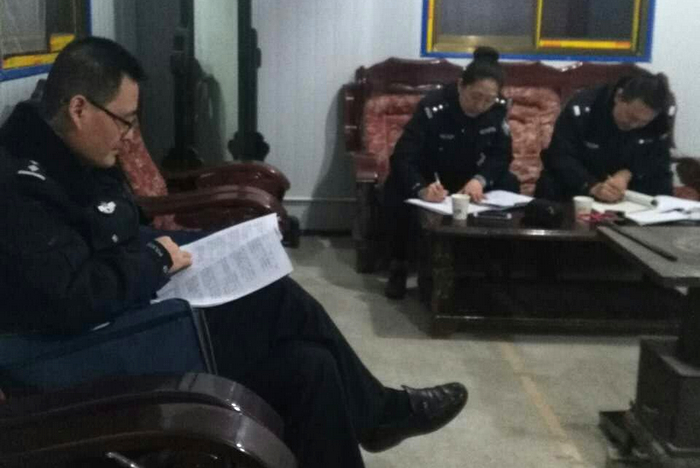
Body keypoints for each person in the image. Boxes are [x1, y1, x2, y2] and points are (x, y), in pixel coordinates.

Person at [0, 37, 467, 468]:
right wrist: (156, 261)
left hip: (135, 317)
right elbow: (72, 298)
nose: (129, 136)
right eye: (124, 120)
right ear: (79, 108)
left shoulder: (81, 154)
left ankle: (377, 414)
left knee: (313, 367)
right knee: (277, 299)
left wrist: (190, 251)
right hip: (88, 361)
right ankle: (380, 412)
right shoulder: (22, 185)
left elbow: (120, 235)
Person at [382, 46, 519, 299]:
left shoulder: (498, 110)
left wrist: (480, 179)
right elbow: (403, 156)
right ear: (460, 86)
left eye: (489, 99)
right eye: (475, 96)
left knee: (510, 183)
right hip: (431, 178)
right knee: (395, 188)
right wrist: (421, 189)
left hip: (470, 181)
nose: (481, 105)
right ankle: (398, 265)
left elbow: (502, 155)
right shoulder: (433, 107)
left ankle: (491, 263)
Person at [535, 72, 674, 203]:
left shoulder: (659, 121)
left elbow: (659, 162)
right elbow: (560, 156)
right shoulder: (584, 108)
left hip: (630, 192)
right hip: (581, 184)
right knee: (551, 183)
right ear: (618, 97)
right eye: (631, 117)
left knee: (659, 185)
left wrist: (628, 173)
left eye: (643, 122)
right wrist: (592, 186)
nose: (634, 125)